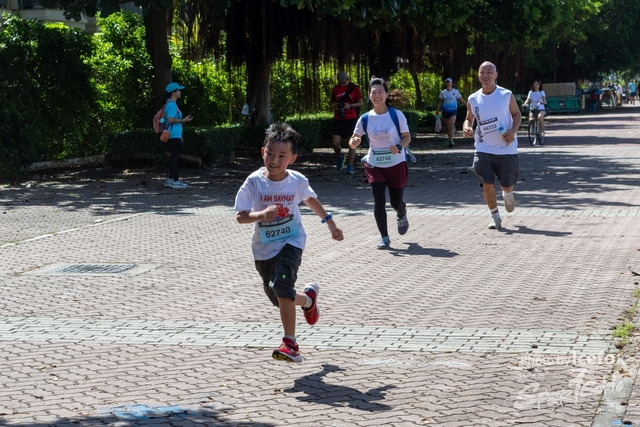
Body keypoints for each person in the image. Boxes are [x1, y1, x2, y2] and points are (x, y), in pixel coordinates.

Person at [234, 122, 344, 363]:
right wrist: (261, 215)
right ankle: (308, 300)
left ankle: (290, 344)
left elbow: (310, 200)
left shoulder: (296, 181)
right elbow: (241, 216)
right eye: (270, 154)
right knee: (279, 295)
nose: (274, 160)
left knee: (282, 287)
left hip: (291, 242)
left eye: (281, 156)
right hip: (264, 249)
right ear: (262, 152)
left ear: (292, 158)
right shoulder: (254, 182)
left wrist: (330, 223)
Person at [348, 77, 411, 250]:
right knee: (378, 201)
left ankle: (401, 212)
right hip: (375, 164)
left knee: (395, 203)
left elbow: (407, 137)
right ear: (369, 95)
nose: (377, 95)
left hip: (396, 163)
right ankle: (384, 237)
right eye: (373, 92)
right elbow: (354, 139)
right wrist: (354, 142)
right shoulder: (365, 118)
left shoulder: (396, 115)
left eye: (380, 92)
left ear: (386, 94)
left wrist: (399, 147)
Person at [462, 61, 522, 230]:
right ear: (478, 75)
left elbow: (517, 115)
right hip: (483, 146)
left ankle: (507, 193)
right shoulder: (473, 98)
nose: (486, 75)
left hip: (506, 147)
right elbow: (469, 118)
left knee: (506, 184)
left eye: (489, 72)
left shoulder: (506, 95)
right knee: (487, 183)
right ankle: (495, 216)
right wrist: (466, 127)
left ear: (496, 75)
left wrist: (512, 131)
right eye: (482, 72)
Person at [330, 71, 364, 174]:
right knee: (335, 143)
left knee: (351, 143)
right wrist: (334, 105)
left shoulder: (354, 88)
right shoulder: (335, 89)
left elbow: (361, 102)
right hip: (338, 118)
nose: (342, 84)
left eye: (343, 82)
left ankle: (350, 165)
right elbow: (331, 102)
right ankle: (341, 156)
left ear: (348, 79)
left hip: (351, 118)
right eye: (340, 82)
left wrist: (350, 106)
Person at [163, 82, 193, 189]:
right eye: (179, 90)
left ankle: (169, 180)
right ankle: (175, 182)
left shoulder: (169, 104)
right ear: (173, 92)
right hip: (173, 136)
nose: (180, 92)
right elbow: (171, 119)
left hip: (173, 136)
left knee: (173, 158)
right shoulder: (172, 105)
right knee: (175, 159)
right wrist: (183, 120)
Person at [435, 78, 467, 147]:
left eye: (449, 82)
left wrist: (467, 106)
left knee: (452, 125)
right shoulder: (443, 92)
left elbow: (461, 100)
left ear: (451, 83)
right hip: (445, 111)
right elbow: (440, 102)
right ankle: (450, 139)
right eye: (447, 82)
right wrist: (437, 110)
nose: (448, 83)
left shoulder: (455, 92)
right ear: (445, 84)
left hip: (453, 110)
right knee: (447, 127)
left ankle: (451, 141)